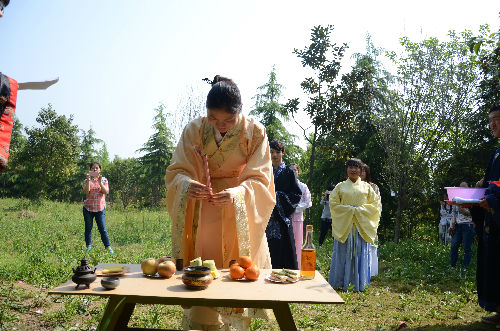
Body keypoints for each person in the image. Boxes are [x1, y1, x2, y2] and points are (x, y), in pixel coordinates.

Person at [165, 75, 276, 330]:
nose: (221, 125)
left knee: (236, 272)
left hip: (238, 211)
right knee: (204, 273)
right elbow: (176, 171)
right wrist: (187, 185)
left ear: (239, 112)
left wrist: (238, 193)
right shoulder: (195, 129)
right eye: (214, 119)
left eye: (228, 120)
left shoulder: (255, 131)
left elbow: (262, 178)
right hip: (203, 209)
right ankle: (204, 325)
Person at [328, 158, 381, 292]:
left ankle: (359, 283)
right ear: (346, 170)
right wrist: (350, 210)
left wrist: (359, 210)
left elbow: (375, 205)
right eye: (350, 167)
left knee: (359, 252)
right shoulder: (340, 186)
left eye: (356, 167)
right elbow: (333, 204)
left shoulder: (367, 187)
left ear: (361, 170)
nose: (353, 170)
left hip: (360, 226)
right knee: (342, 253)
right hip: (345, 225)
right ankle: (339, 281)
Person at [470, 104, 500, 326]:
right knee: (494, 265)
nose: (493, 124)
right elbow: (490, 183)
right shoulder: (497, 152)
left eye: (497, 119)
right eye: (490, 120)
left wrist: (492, 200)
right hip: (493, 219)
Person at [265, 139, 302, 270]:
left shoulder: (289, 172)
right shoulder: (265, 172)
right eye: (272, 152)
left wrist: (278, 196)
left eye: (277, 152)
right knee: (268, 249)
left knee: (284, 250)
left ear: (283, 153)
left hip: (282, 219)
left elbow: (296, 195)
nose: (274, 155)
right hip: (266, 218)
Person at [83, 162, 113, 254]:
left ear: (100, 170)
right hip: (88, 208)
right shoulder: (86, 180)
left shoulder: (104, 180)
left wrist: (100, 182)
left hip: (100, 208)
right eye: (93, 168)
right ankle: (88, 247)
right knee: (88, 228)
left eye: (97, 168)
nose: (95, 170)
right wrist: (88, 180)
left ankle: (108, 248)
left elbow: (106, 191)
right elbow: (86, 192)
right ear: (90, 170)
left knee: (103, 229)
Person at [288, 163, 312, 267]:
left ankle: (296, 266)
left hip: (297, 219)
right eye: (290, 170)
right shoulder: (283, 185)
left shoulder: (303, 186)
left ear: (298, 172)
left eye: (295, 170)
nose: (293, 172)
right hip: (285, 219)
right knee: (286, 243)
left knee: (297, 243)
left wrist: (293, 208)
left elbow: (307, 202)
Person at [361, 163, 381, 278]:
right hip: (356, 220)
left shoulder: (374, 187)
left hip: (370, 219)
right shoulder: (352, 186)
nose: (362, 173)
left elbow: (377, 204)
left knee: (371, 245)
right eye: (360, 170)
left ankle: (371, 272)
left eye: (364, 171)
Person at [449, 182, 475, 269]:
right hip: (457, 226)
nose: (463, 189)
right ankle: (453, 266)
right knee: (454, 245)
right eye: (461, 188)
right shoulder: (456, 199)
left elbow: (476, 214)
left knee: (467, 248)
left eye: (465, 187)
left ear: (468, 188)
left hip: (468, 225)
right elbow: (454, 213)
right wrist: (452, 225)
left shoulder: (472, 198)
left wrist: (464, 210)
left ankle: (465, 267)